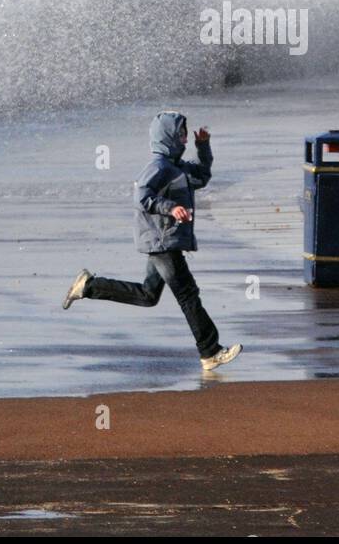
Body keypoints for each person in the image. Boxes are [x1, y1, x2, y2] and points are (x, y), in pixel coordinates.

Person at [63, 110, 242, 371]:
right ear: (167, 137)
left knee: (148, 295)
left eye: (185, 135)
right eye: (180, 134)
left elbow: (201, 177)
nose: (184, 139)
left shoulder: (176, 167)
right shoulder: (158, 167)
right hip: (162, 242)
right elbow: (142, 197)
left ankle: (88, 286)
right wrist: (170, 208)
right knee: (188, 295)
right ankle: (210, 351)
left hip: (165, 240)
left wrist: (203, 146)